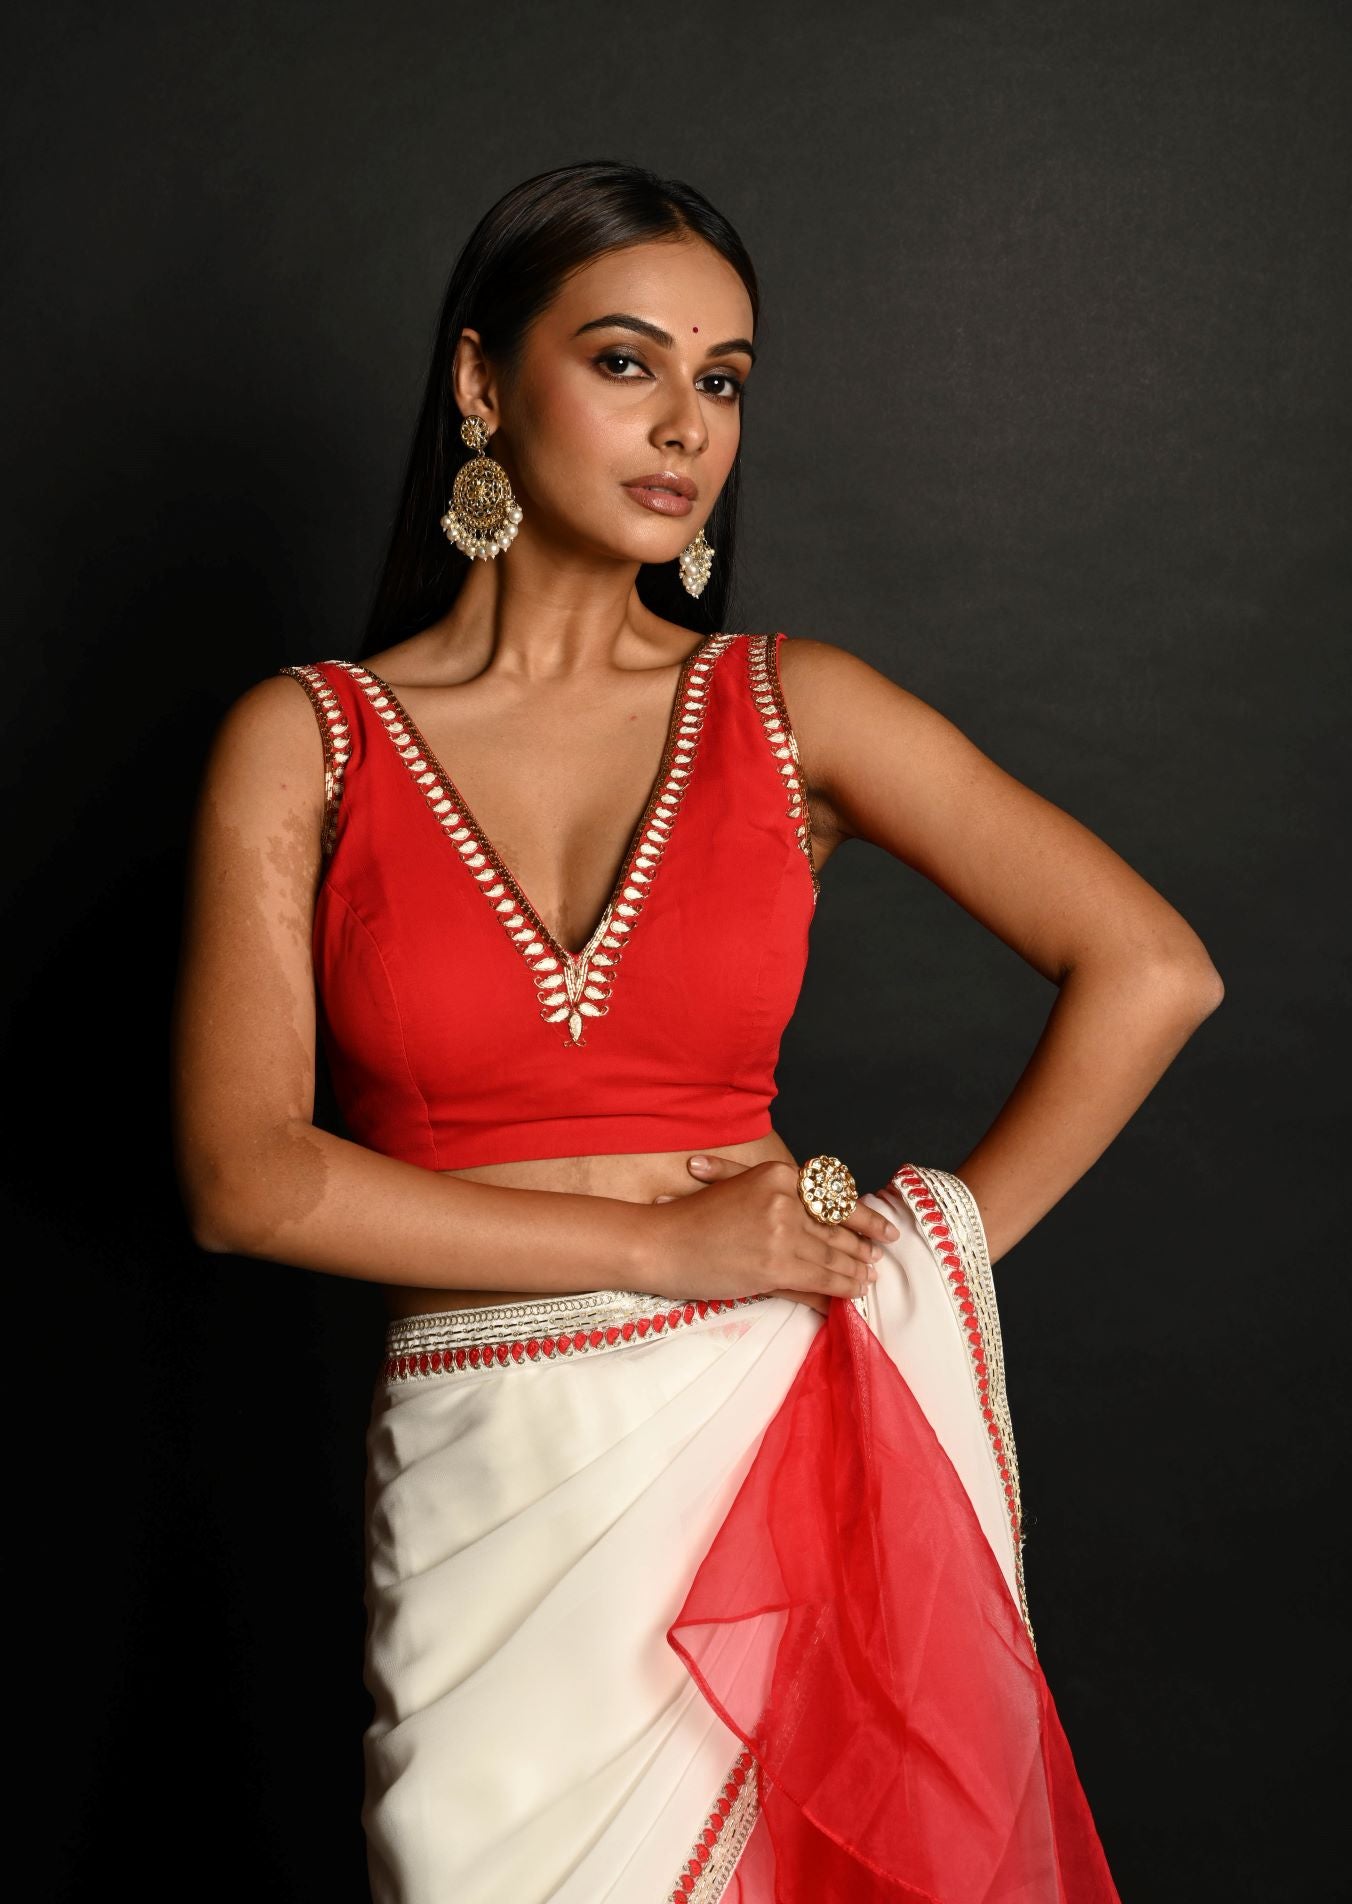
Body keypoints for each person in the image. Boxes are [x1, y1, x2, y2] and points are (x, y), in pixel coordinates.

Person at [170, 159, 1222, 1902]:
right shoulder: (311, 741)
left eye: (721, 381)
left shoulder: (791, 705)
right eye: (625, 363)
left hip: (770, 1436)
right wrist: (666, 1243)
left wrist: (904, 1272)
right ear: (479, 384)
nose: (684, 428)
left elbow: (1151, 968)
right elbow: (246, 1181)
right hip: (494, 1469)